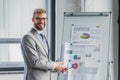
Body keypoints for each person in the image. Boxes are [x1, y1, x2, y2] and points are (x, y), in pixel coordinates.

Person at [21, 8, 68, 80]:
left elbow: (45, 60)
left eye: (44, 19)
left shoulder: (43, 36)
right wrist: (55, 65)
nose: (41, 21)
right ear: (33, 19)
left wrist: (59, 65)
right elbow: (35, 62)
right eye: (38, 19)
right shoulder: (28, 37)